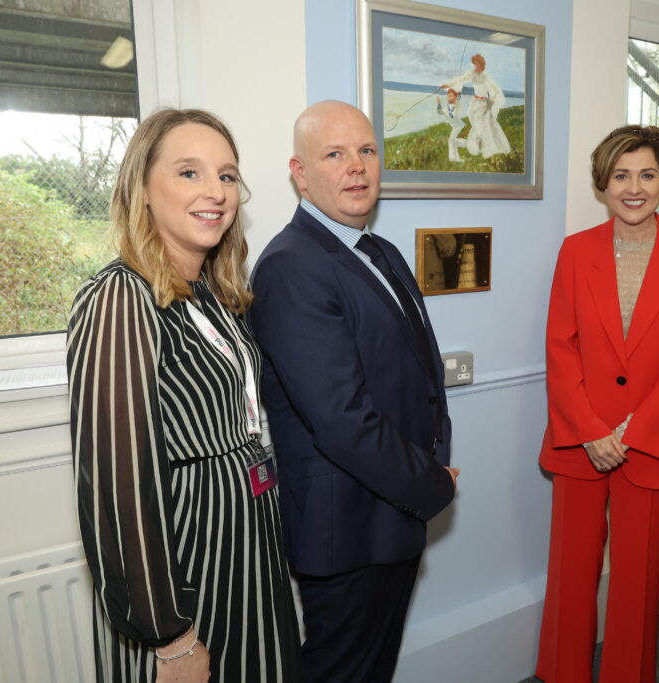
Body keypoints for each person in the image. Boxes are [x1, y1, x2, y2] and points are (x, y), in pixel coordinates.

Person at [67, 108, 302, 683]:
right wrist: (169, 636)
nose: (216, 191)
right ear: (142, 189)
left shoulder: (215, 295)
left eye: (226, 175)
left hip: (245, 553)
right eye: (189, 173)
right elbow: (118, 487)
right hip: (188, 573)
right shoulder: (120, 297)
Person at [248, 100, 459, 683]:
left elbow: (417, 378)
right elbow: (342, 419)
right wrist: (431, 483)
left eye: (366, 151)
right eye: (334, 154)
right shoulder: (291, 267)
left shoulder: (380, 251)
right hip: (347, 531)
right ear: (300, 172)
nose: (357, 167)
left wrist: (430, 464)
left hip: (391, 515)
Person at [536, 124, 659, 683]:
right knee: (570, 577)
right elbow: (560, 347)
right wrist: (591, 430)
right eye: (621, 175)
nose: (634, 187)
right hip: (580, 442)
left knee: (637, 584)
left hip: (650, 445)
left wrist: (632, 432)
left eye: (647, 174)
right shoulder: (575, 251)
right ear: (603, 183)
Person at [440, 54, 511, 158]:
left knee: (486, 125)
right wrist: (448, 85)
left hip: (484, 104)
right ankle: (478, 146)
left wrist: (493, 99)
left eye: (477, 64)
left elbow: (495, 89)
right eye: (474, 64)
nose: (476, 66)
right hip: (475, 103)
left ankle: (488, 148)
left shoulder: (485, 76)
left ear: (481, 64)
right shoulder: (472, 73)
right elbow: (461, 80)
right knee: (476, 126)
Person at [435, 88, 466, 162]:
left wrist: (458, 93)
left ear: (455, 97)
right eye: (448, 96)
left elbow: (458, 98)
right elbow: (440, 112)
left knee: (451, 141)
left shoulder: (456, 105)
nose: (449, 97)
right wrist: (438, 103)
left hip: (458, 126)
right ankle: (471, 145)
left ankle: (453, 159)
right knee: (454, 142)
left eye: (451, 96)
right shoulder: (446, 108)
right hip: (455, 126)